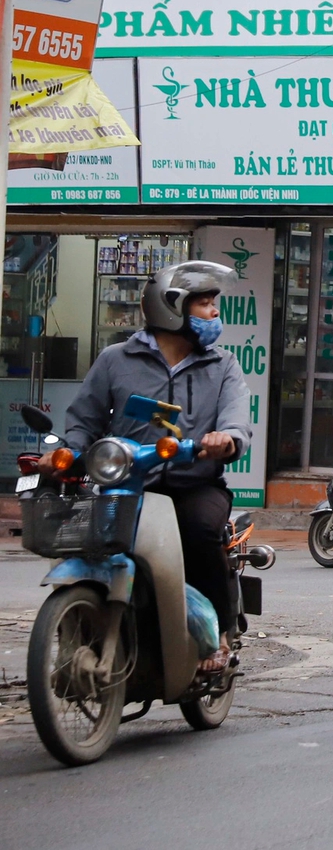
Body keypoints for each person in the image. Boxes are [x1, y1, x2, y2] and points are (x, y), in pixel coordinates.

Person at [55, 260, 248, 673]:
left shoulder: (223, 366)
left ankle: (220, 635)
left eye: (215, 304)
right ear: (172, 308)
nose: (215, 313)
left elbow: (236, 420)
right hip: (124, 485)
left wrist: (225, 438)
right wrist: (68, 452)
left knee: (198, 531)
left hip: (195, 484)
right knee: (91, 542)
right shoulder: (114, 359)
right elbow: (84, 420)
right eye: (205, 304)